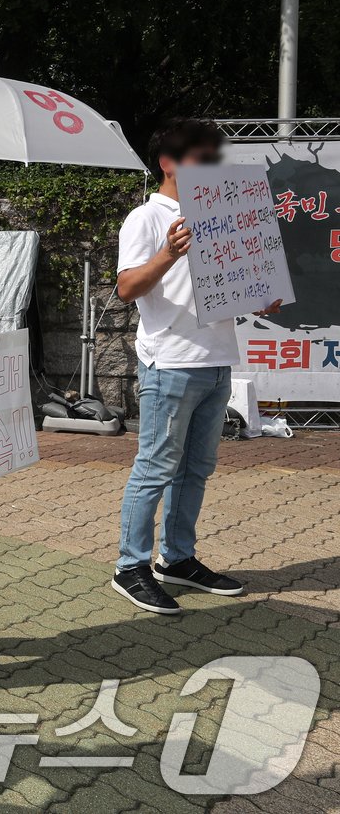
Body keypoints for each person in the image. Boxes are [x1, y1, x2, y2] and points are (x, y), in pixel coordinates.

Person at [112, 117, 281, 614]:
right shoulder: (145, 219)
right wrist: (167, 252)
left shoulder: (223, 213)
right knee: (156, 466)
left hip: (217, 358)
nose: (212, 165)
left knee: (196, 468)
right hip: (170, 361)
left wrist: (260, 296)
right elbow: (126, 288)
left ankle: (177, 558)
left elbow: (227, 286)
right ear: (168, 163)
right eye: (200, 156)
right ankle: (131, 566)